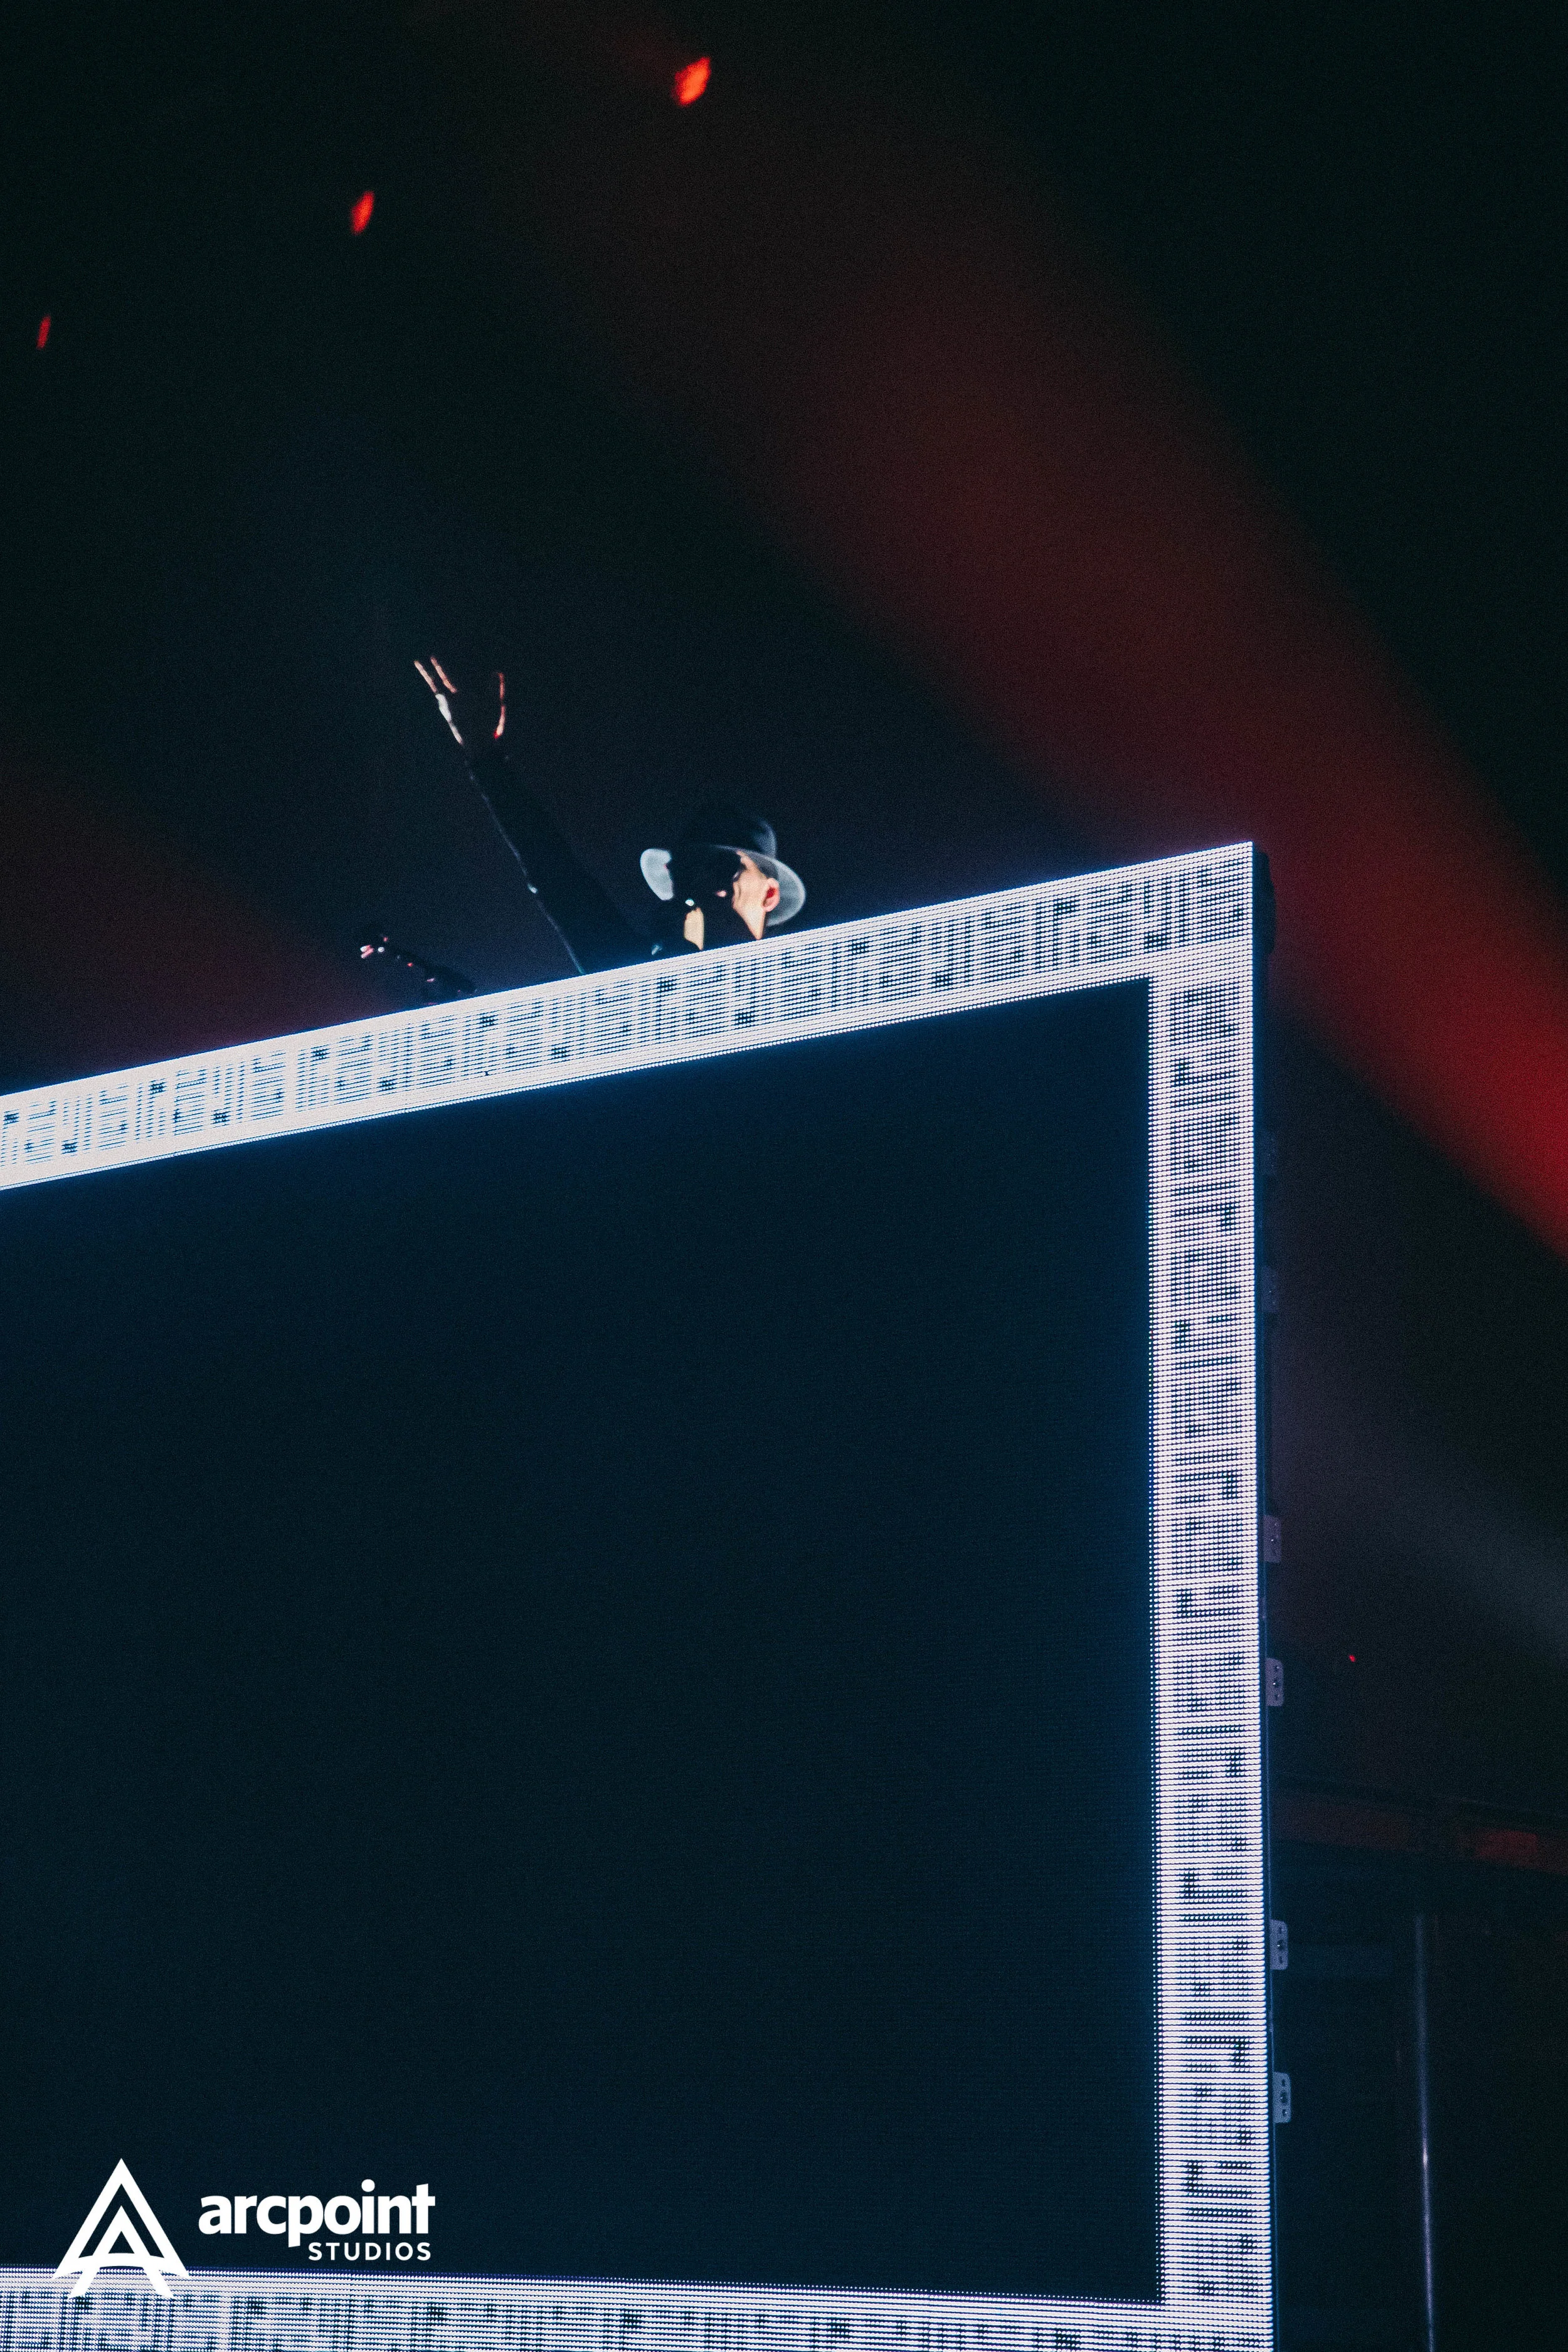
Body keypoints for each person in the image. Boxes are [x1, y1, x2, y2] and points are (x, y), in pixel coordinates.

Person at [416, 659, 805, 975]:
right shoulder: (628, 974)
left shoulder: (801, 986)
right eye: (688, 866)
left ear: (769, 893)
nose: (702, 878)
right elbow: (556, 878)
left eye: (722, 866)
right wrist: (486, 760)